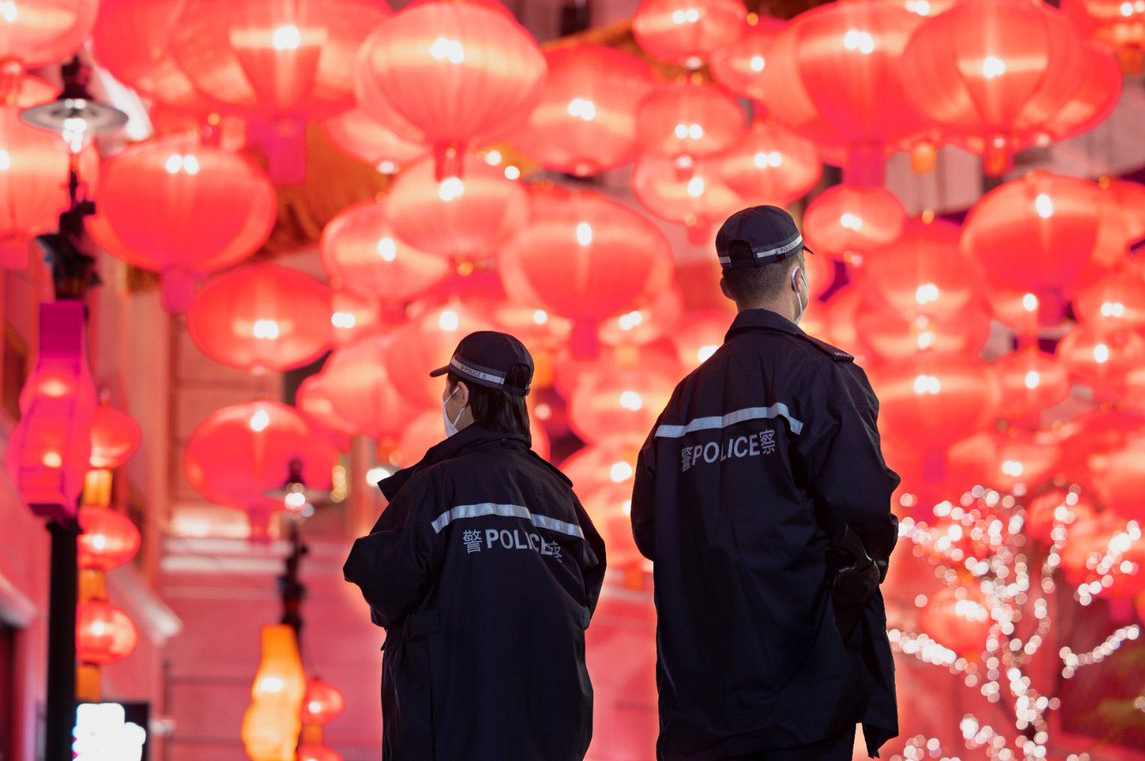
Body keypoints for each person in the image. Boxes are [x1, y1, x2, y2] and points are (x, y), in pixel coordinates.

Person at [631, 205, 900, 761]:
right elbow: (865, 514)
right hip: (800, 694)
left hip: (698, 699)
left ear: (727, 284)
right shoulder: (821, 377)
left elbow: (649, 530)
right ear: (800, 276)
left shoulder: (683, 402)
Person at [344, 331, 606, 761]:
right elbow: (582, 603)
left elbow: (388, 584)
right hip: (550, 733)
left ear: (460, 394)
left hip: (452, 731)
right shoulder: (561, 497)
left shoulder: (437, 485)